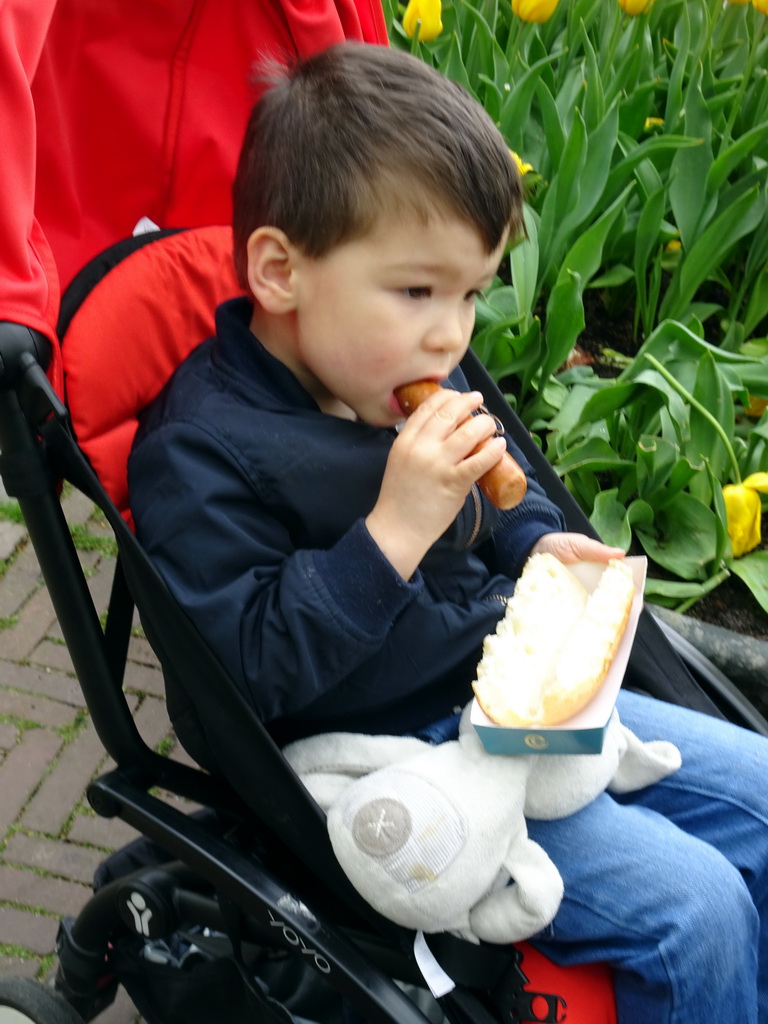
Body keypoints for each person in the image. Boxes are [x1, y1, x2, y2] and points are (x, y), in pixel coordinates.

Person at [128, 42, 768, 1024]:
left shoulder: (399, 365)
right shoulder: (201, 451)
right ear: (280, 271)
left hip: (510, 689)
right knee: (697, 909)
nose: (452, 334)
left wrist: (535, 545)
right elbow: (247, 673)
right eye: (420, 291)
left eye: (471, 293)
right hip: (396, 752)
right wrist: (390, 533)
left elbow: (508, 492)